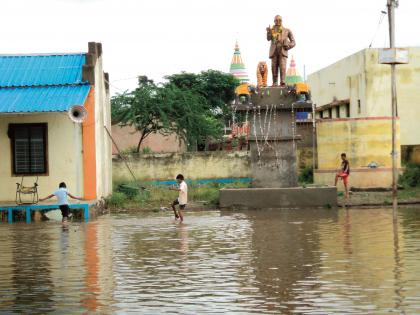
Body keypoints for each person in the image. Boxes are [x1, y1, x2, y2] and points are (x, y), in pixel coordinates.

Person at [266, 15, 295, 87]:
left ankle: (283, 82)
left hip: (283, 50)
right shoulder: (272, 30)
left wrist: (288, 46)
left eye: (279, 20)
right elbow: (268, 39)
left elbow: (293, 42)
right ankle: (274, 82)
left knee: (282, 66)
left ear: (282, 21)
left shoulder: (287, 30)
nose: (278, 22)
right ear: (274, 21)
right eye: (276, 20)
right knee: (274, 67)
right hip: (274, 51)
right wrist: (268, 32)